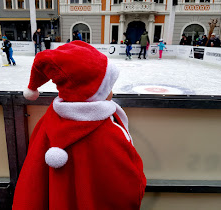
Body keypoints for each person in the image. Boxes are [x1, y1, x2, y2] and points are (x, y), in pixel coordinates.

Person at [13, 41, 146, 210]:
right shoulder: (107, 133)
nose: (112, 91)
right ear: (93, 93)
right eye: (108, 86)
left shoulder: (47, 122)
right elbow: (127, 186)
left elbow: (32, 182)